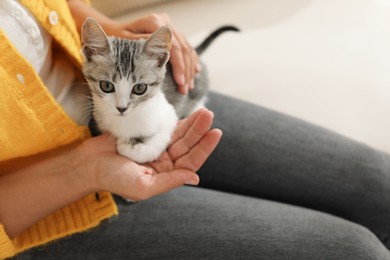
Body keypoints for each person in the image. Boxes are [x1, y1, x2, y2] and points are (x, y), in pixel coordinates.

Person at [0, 0, 389, 259]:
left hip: (123, 88)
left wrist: (112, 33)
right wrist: (83, 169)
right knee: (352, 251)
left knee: (379, 182)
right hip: (45, 208)